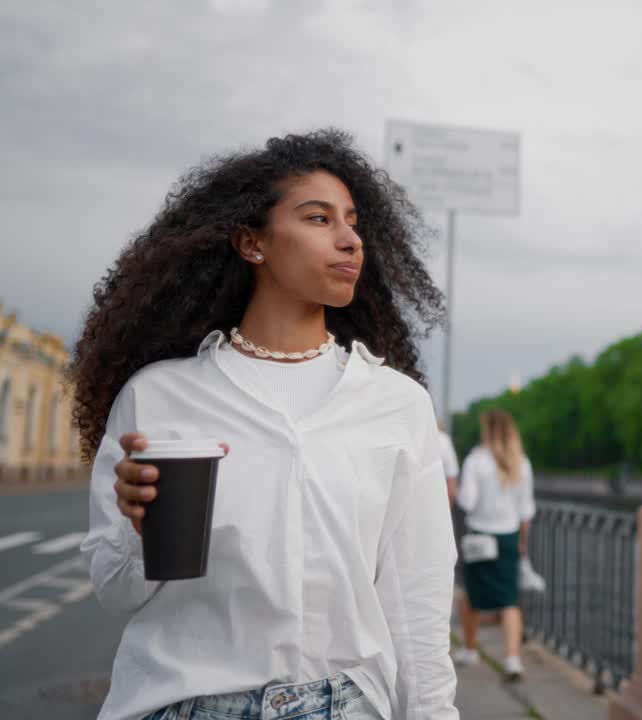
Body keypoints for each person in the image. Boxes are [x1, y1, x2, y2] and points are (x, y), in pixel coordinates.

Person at [70, 130, 459, 720]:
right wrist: (136, 526)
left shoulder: (395, 405)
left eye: (353, 222)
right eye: (318, 219)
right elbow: (114, 586)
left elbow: (417, 602)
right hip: (184, 705)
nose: (350, 240)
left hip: (345, 706)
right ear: (252, 242)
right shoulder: (160, 396)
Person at [453, 409, 535, 679]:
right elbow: (526, 511)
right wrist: (523, 543)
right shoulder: (521, 462)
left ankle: (470, 649)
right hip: (509, 537)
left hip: (481, 537)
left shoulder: (476, 461)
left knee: (472, 596)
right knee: (510, 600)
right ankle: (512, 660)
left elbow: (467, 501)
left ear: (487, 430)